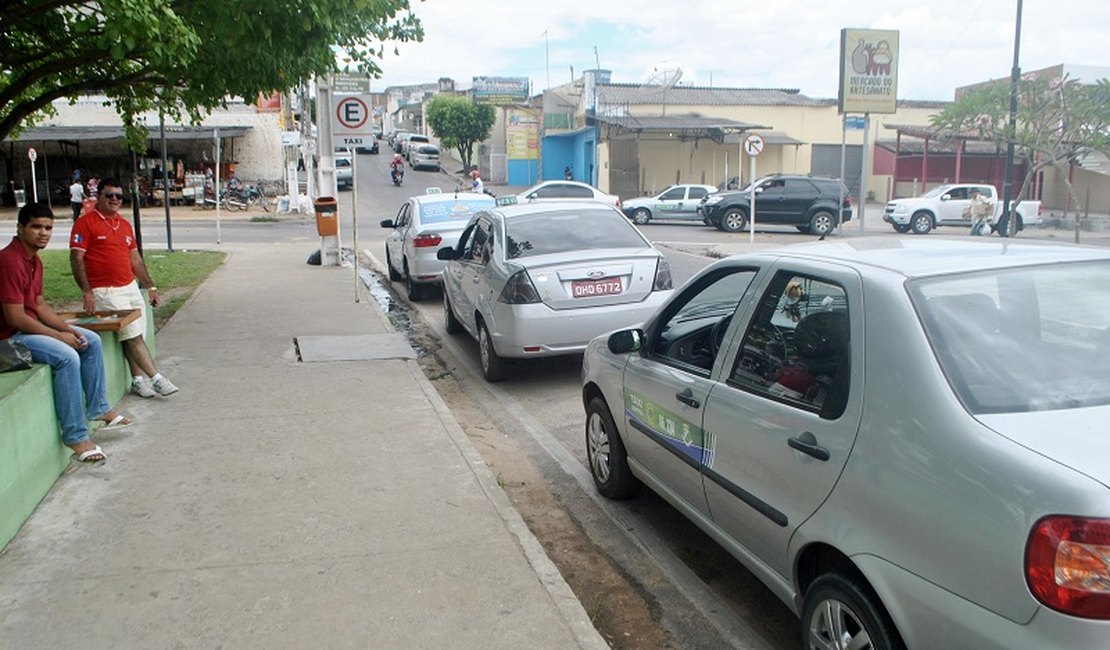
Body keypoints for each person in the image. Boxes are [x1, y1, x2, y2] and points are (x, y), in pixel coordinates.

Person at [1, 202, 132, 463]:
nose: (43, 233)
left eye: (48, 228)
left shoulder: (34, 261)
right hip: (9, 339)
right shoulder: (9, 261)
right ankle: (75, 436)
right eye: (36, 227)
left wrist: (67, 329)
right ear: (20, 228)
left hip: (26, 328)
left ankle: (99, 408)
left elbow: (38, 305)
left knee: (90, 340)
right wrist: (59, 337)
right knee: (66, 356)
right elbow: (15, 317)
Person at [69, 179, 178, 399]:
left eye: (119, 196)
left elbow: (135, 260)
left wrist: (150, 286)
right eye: (109, 195)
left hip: (129, 287)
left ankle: (137, 380)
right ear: (98, 197)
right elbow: (76, 259)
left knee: (135, 334)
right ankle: (156, 378)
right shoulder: (85, 223)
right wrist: (87, 291)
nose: (115, 200)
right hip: (105, 291)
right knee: (133, 336)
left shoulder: (124, 225)